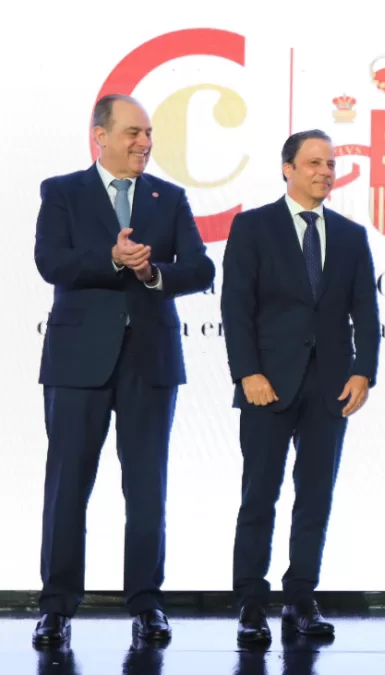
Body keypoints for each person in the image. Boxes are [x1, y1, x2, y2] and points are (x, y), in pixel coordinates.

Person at [32, 93, 216, 645]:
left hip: (149, 361)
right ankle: (58, 606)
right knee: (68, 487)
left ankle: (145, 603)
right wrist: (111, 259)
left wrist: (155, 274)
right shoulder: (62, 192)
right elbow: (50, 262)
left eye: (149, 133)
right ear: (101, 135)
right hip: (77, 361)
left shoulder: (169, 197)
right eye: (133, 132)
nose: (144, 142)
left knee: (146, 487)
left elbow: (201, 267)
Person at [221, 129, 381, 643]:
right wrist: (248, 373)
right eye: (314, 163)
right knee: (258, 495)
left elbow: (366, 313)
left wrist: (364, 371)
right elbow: (236, 308)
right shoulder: (252, 228)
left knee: (315, 496)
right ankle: (250, 602)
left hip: (331, 387)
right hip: (266, 384)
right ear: (287, 168)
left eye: (331, 164)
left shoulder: (352, 236)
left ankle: (300, 600)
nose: (325, 172)